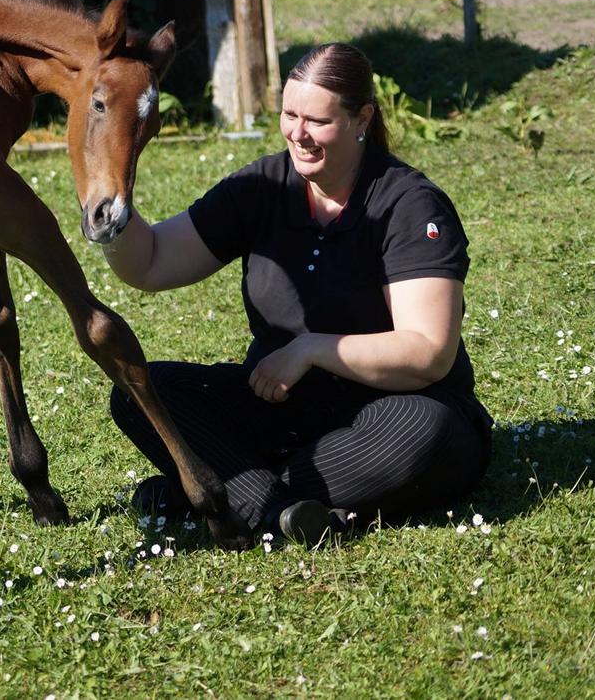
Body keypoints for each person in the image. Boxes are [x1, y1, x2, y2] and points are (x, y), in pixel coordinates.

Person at [103, 42, 493, 544]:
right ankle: (282, 509)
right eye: (289, 115)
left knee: (423, 433)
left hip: (395, 407)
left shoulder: (410, 205)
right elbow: (152, 262)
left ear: (361, 118)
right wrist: (110, 207)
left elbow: (429, 353)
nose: (299, 134)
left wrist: (311, 349)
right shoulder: (263, 187)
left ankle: (217, 493)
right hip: (281, 409)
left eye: (318, 121)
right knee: (142, 392)